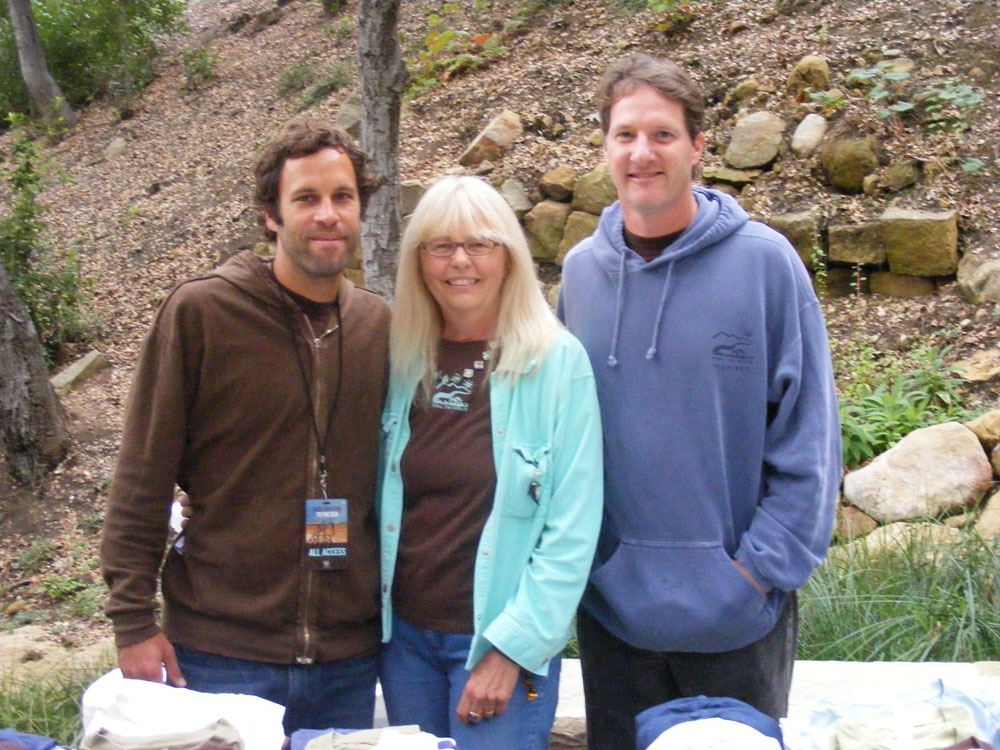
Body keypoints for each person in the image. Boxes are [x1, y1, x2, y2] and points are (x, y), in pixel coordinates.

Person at [558, 54, 841, 749]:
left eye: (662, 134)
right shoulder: (581, 276)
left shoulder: (765, 265)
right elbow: (557, 441)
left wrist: (757, 573)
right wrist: (587, 571)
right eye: (625, 135)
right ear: (605, 146)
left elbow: (810, 441)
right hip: (614, 618)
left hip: (738, 618)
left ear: (697, 148)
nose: (642, 153)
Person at [100, 117, 391, 736]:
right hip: (221, 650)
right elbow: (143, 475)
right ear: (271, 215)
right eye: (306, 198)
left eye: (342, 197)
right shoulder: (204, 313)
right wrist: (133, 621)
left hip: (347, 658)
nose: (328, 215)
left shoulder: (380, 328)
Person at [378, 176, 603, 749]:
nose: (460, 261)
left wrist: (513, 650)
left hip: (498, 646)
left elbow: (572, 529)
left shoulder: (556, 364)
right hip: (405, 643)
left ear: (509, 257)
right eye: (440, 245)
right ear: (418, 261)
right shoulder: (403, 360)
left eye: (480, 244)